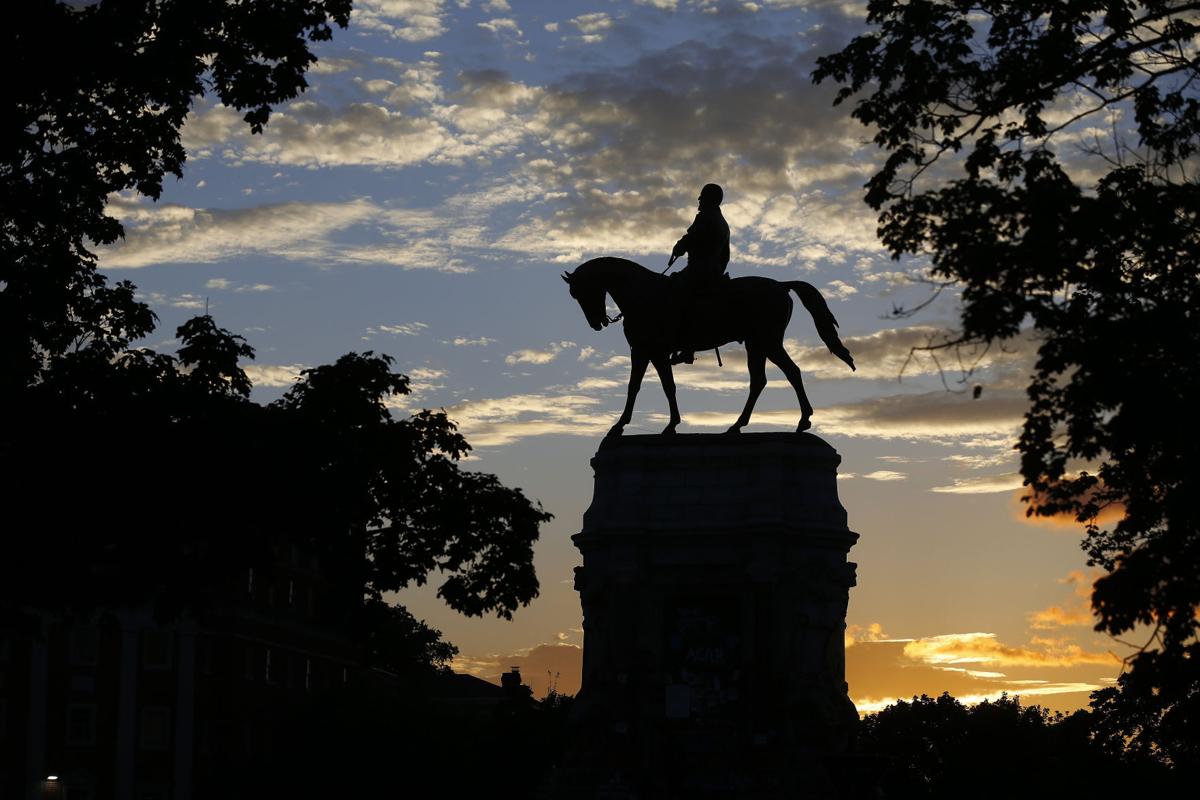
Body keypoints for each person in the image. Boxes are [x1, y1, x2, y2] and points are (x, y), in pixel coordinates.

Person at [667, 183, 730, 364]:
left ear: (709, 199)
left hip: (700, 270)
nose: (699, 200)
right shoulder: (723, 223)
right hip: (713, 271)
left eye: (702, 197)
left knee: (673, 291)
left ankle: (685, 345)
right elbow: (725, 255)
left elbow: (692, 237)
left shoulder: (706, 217)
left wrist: (680, 246)